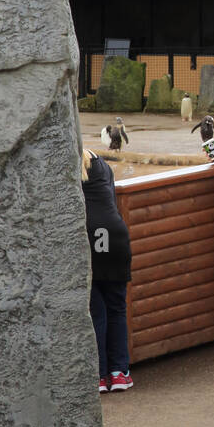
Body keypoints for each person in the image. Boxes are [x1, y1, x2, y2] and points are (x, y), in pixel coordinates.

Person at [82, 148, 133, 393]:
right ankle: (120, 373)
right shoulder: (99, 162)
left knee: (96, 311)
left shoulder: (64, 166)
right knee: (116, 307)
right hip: (114, 235)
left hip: (89, 239)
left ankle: (99, 376)